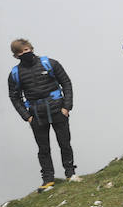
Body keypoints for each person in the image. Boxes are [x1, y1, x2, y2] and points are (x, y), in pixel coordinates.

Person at [7, 38, 76, 191]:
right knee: (43, 149)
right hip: (36, 115)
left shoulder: (51, 63)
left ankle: (70, 173)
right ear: (16, 55)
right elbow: (14, 96)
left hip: (58, 109)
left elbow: (66, 83)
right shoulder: (15, 74)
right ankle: (48, 180)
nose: (25, 53)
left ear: (31, 48)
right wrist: (27, 116)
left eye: (26, 50)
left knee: (64, 143)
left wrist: (67, 107)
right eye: (20, 52)